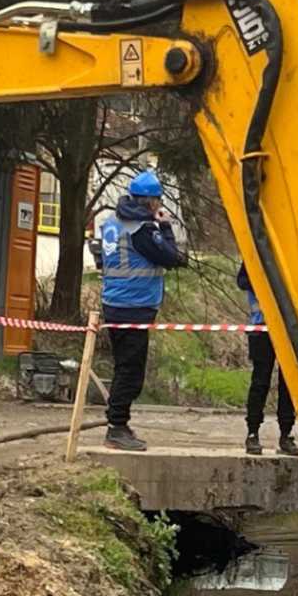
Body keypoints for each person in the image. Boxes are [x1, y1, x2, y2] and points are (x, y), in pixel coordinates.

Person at [93, 169, 188, 452]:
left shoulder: (113, 223)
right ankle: (117, 427)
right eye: (157, 202)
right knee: (130, 372)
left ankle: (118, 423)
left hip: (115, 302)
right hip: (134, 305)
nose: (159, 207)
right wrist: (166, 228)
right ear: (150, 202)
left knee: (125, 366)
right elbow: (173, 258)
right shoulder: (141, 229)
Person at [235, 264, 298, 458]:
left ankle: (286, 434)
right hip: (261, 327)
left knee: (288, 383)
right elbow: (242, 281)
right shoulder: (255, 251)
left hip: (289, 328)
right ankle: (253, 433)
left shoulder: (292, 254)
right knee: (260, 382)